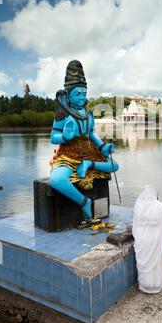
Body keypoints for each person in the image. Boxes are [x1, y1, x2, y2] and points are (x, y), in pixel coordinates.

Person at [50, 60, 119, 222]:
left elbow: (91, 134)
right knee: (57, 180)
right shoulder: (63, 114)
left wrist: (102, 146)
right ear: (68, 94)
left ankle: (89, 164)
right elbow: (53, 137)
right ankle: (83, 201)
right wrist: (65, 137)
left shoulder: (87, 113)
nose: (82, 98)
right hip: (69, 155)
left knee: (114, 165)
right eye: (77, 94)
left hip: (88, 153)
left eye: (84, 93)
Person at [132, 186, 162, 294]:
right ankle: (155, 284)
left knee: (145, 259)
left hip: (142, 238)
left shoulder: (138, 205)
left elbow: (135, 222)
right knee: (155, 261)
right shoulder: (158, 205)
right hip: (155, 238)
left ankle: (145, 284)